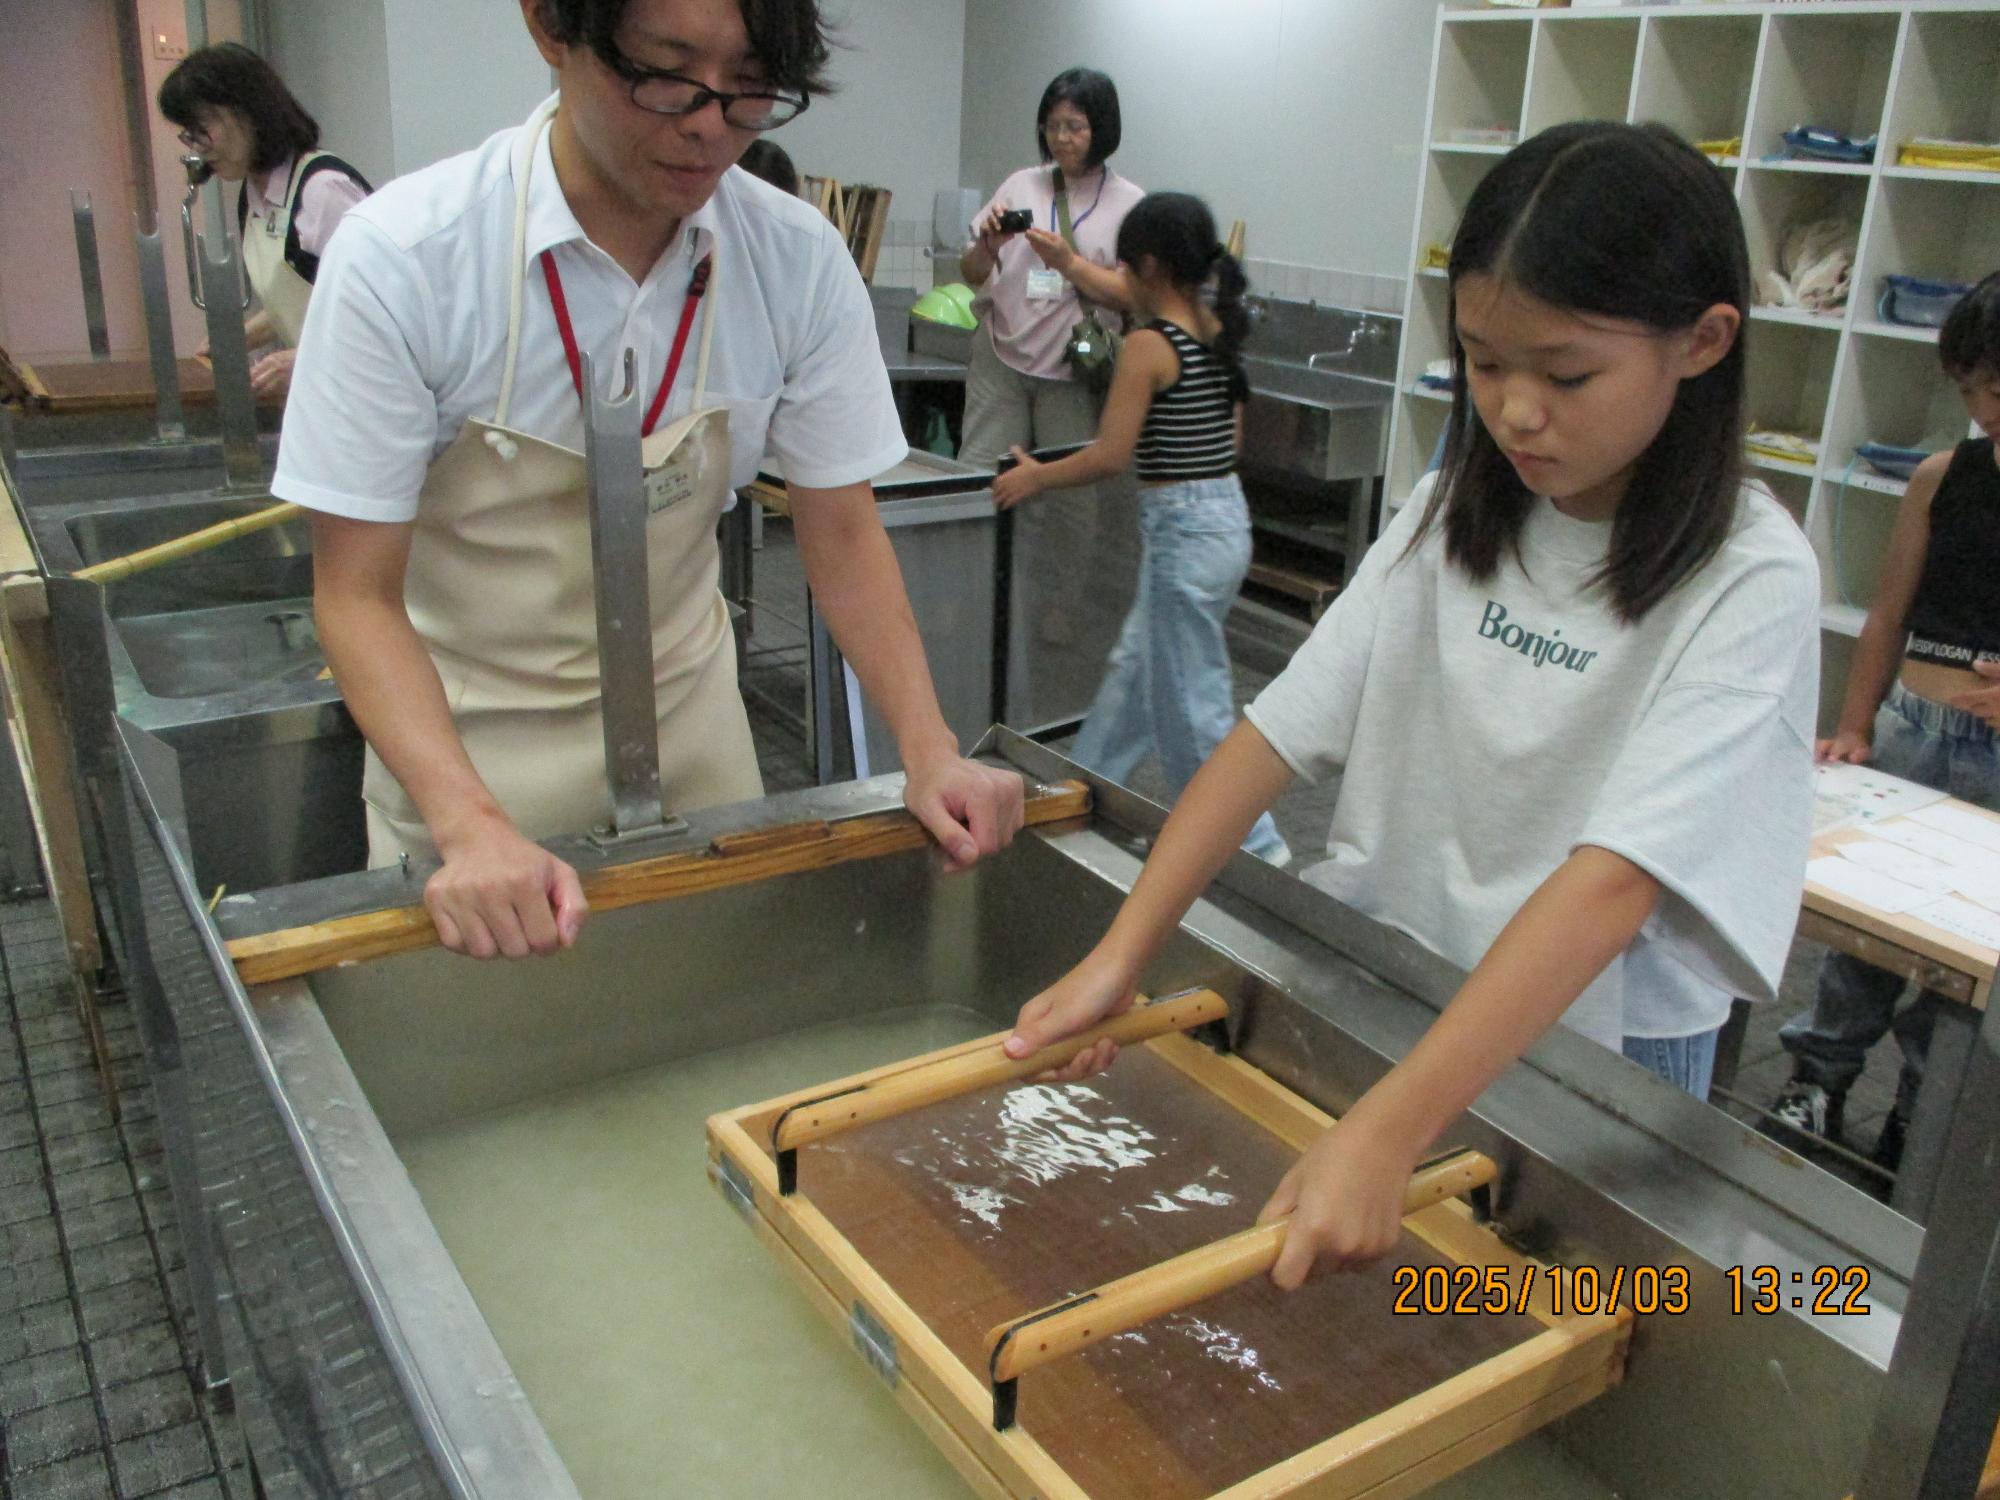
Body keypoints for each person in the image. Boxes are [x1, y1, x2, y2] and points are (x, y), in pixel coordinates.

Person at [1003, 122, 1820, 1284]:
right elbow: (1273, 732)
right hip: (1403, 982)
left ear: (1701, 343)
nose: (1515, 412)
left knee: (1538, 1329)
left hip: (1589, 1050)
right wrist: (1123, 950)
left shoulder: (1749, 574)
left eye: (1563, 372)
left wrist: (1387, 1130)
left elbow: (1612, 881)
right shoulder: (1452, 507)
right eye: (1483, 364)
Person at [274, 0, 1024, 961]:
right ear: (552, 29)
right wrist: (469, 828)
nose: (711, 123)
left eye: (750, 84)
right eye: (667, 73)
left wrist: (928, 748)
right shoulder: (408, 259)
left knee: (727, 1014)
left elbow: (840, 535)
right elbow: (355, 594)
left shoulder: (792, 259)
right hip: (472, 751)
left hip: (695, 729)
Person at [1770, 271, 2000, 1174]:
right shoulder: (1945, 479)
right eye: (1973, 390)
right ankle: (1818, 1078)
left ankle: (1921, 1110)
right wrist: (1855, 723)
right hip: (1912, 727)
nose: (1983, 408)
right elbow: (1887, 613)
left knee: (1966, 959)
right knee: (1859, 940)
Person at [991, 192, 1288, 866]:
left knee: (1192, 709)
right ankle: (1080, 794)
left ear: (1148, 267)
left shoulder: (1148, 346)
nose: (1115, 281)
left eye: (1122, 269)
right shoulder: (1215, 330)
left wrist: (1037, 475)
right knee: (1134, 675)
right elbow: (1226, 445)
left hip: (1182, 534)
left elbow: (1109, 455)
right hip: (1223, 522)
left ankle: (1257, 855)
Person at [959, 69, 1144, 678]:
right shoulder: (1021, 183)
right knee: (978, 474)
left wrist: (1069, 263)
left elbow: (1132, 293)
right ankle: (972, 593)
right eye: (1054, 125)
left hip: (1073, 370)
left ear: (1101, 129)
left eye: (1076, 126)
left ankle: (1061, 605)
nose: (1062, 138)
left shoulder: (1127, 203)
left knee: (1069, 498)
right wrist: (984, 250)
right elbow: (969, 272)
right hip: (1001, 356)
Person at [158, 43, 371, 399]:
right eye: (189, 134)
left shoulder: (323, 192)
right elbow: (307, 295)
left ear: (249, 111)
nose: (197, 148)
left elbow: (383, 318)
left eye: (203, 128)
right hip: (326, 397)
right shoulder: (254, 196)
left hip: (367, 397)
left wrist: (304, 360)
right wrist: (243, 336)